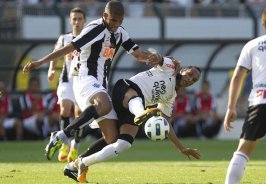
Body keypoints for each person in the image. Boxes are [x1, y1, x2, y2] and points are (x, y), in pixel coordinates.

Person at [22, 0, 163, 161]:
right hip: (85, 78)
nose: (116, 24)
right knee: (104, 105)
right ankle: (61, 136)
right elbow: (69, 47)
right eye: (113, 20)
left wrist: (159, 59)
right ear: (105, 16)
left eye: (120, 21)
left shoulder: (120, 33)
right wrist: (40, 62)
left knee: (112, 137)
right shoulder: (96, 29)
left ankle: (77, 164)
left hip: (99, 84)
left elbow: (138, 55)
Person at [65, 56, 202, 183]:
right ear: (183, 70)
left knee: (123, 143)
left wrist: (181, 148)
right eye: (190, 74)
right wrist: (157, 56)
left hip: (134, 107)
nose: (190, 79)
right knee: (137, 99)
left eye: (194, 80)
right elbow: (156, 57)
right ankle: (141, 113)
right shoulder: (171, 67)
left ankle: (80, 163)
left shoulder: (170, 97)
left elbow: (166, 124)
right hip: (125, 88)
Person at [224, 6, 266, 184]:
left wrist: (231, 107)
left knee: (243, 149)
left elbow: (238, 76)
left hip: (261, 100)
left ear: (264, 24)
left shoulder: (253, 44)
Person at [47, 7, 86, 163]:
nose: (76, 22)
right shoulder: (64, 39)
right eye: (74, 19)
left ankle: (75, 146)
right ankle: (64, 142)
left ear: (85, 21)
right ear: (70, 21)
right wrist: (51, 69)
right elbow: (55, 55)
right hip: (66, 80)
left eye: (79, 19)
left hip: (82, 81)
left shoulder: (89, 38)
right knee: (64, 107)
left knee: (79, 115)